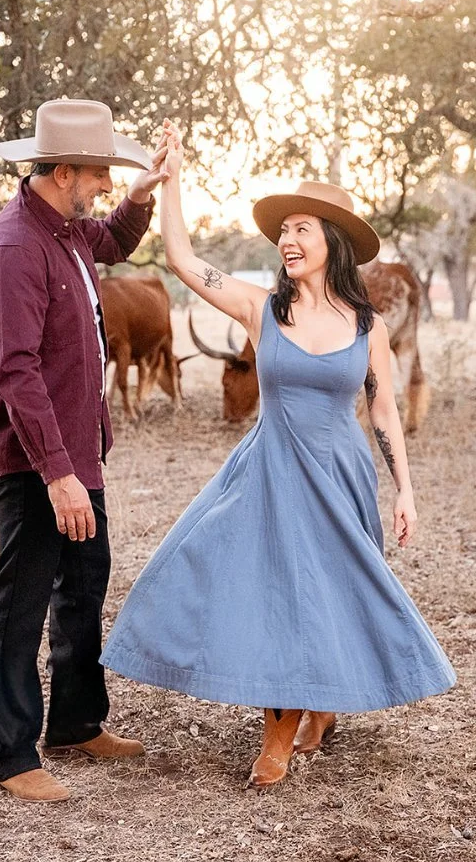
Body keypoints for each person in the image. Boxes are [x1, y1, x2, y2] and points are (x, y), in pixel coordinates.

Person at [101, 122, 456, 788]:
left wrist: (405, 490)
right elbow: (181, 258)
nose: (288, 240)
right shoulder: (261, 309)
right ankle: (277, 733)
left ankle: (319, 707)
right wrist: (171, 180)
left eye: (302, 229)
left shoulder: (368, 327)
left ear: (333, 242)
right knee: (275, 591)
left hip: (341, 474)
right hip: (271, 469)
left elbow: (383, 409)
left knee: (326, 596)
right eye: (284, 230)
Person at [0, 99, 169, 802]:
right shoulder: (12, 248)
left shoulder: (69, 231)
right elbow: (15, 371)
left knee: (84, 584)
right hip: (36, 461)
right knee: (22, 600)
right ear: (62, 172)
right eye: (100, 174)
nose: (107, 185)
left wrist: (142, 194)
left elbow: (113, 241)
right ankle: (11, 756)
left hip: (79, 451)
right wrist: (56, 474)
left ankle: (76, 723)